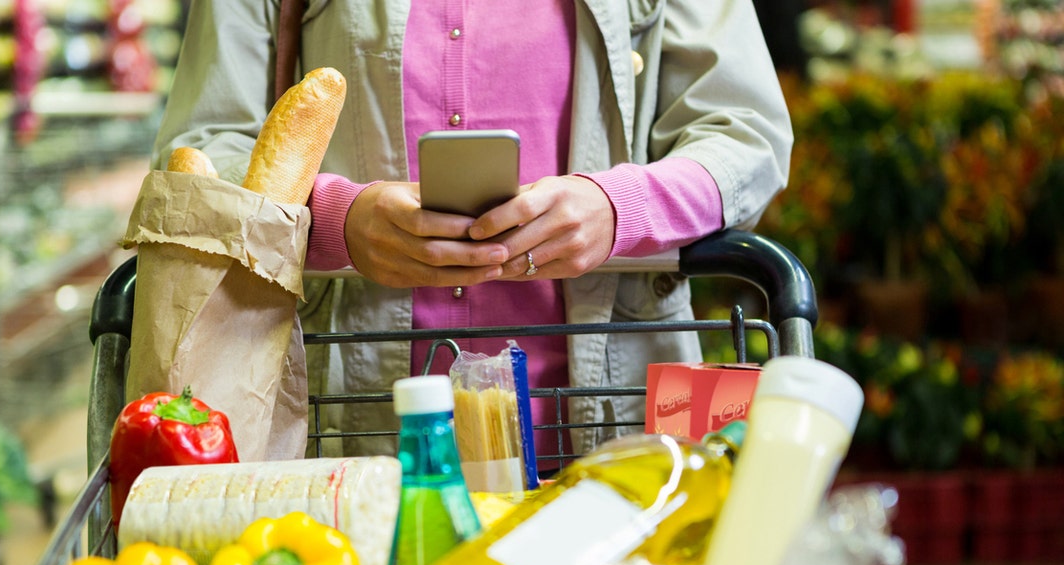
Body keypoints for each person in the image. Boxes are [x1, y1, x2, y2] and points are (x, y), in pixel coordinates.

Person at [151, 0, 793, 459]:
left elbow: (747, 136)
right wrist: (334, 218)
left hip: (612, 416)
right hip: (347, 419)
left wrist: (620, 207)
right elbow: (202, 147)